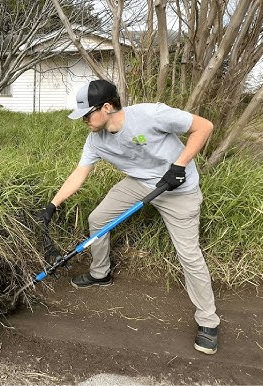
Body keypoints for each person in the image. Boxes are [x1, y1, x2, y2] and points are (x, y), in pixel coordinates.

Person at [38, 79, 220, 355]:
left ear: (107, 107)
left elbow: (204, 126)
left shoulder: (150, 114)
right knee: (98, 219)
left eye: (87, 114)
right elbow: (79, 173)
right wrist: (52, 205)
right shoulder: (95, 141)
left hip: (178, 189)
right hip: (140, 184)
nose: (84, 120)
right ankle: (101, 274)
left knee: (189, 254)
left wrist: (179, 165)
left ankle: (208, 321)